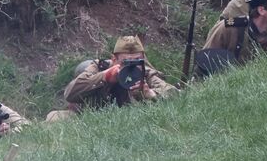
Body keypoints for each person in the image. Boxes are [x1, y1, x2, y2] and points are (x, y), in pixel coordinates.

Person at [45, 36, 176, 121]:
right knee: (54, 118)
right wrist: (104, 77)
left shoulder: (145, 74)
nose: (131, 67)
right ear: (114, 59)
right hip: (87, 117)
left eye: (137, 62)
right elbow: (69, 93)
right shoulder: (99, 67)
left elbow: (177, 97)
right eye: (126, 62)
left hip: (128, 120)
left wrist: (150, 94)